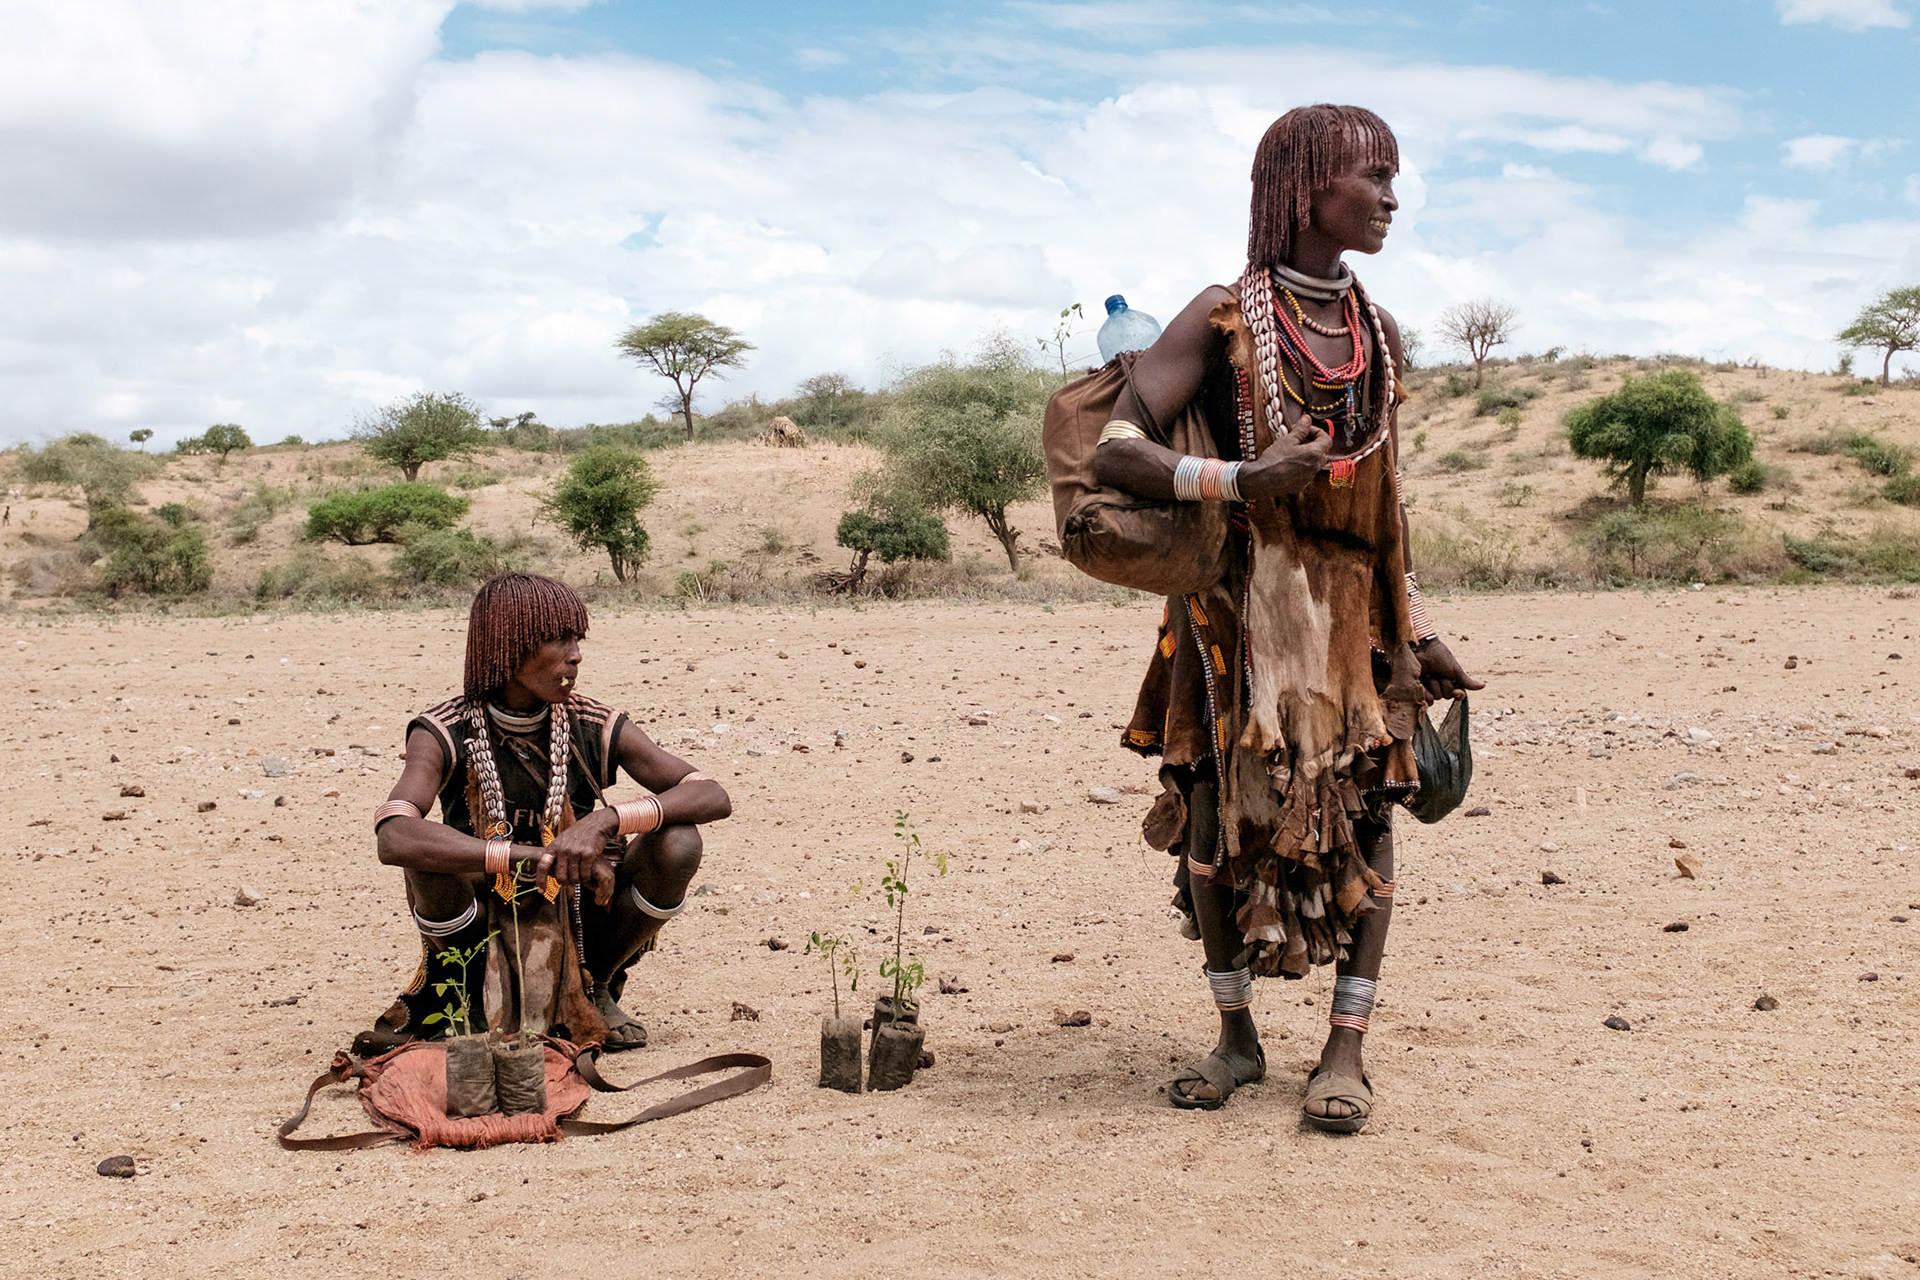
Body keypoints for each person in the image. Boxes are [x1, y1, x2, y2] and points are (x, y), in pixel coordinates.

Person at [1095, 104, 1481, 1128]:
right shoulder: (1223, 319)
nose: (1393, 198)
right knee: (1216, 820)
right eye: (1376, 176)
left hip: (1351, 622)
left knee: (1367, 813)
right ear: (1310, 187)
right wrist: (1241, 475)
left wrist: (1417, 627)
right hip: (1233, 618)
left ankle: (1345, 1049)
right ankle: (1234, 1039)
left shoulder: (1377, 334)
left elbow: (1387, 501)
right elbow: (1116, 448)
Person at [368, 573, 730, 1051]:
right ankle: (472, 997)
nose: (575, 654)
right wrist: (526, 857)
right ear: (507, 646)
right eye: (559, 639)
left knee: (679, 840)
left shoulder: (591, 722)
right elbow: (394, 836)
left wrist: (605, 821)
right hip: (484, 912)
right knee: (423, 853)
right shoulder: (443, 729)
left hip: (581, 911)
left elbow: (710, 794)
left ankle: (594, 986)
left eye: (577, 639)